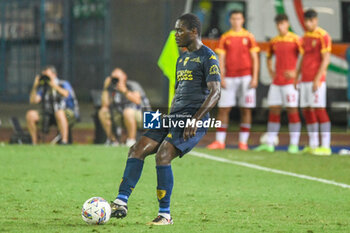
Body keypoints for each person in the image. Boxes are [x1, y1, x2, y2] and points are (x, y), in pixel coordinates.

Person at [109, 13, 221, 225]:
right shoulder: (182, 59)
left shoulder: (209, 57)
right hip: (175, 116)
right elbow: (179, 93)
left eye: (180, 30)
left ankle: (165, 215)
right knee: (136, 148)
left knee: (163, 155)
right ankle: (121, 202)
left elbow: (216, 93)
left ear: (194, 31)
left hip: (193, 119)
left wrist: (195, 119)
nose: (176, 34)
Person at [207, 10, 259, 150]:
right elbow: (221, 59)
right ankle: (220, 141)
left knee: (246, 109)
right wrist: (221, 77)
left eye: (239, 18)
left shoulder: (249, 37)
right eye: (234, 18)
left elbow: (255, 58)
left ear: (243, 20)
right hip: (229, 78)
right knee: (224, 109)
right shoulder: (225, 37)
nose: (236, 21)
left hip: (246, 77)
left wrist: (254, 78)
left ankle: (243, 142)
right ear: (230, 20)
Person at [254, 14, 302, 153]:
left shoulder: (296, 40)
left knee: (292, 112)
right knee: (274, 112)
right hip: (276, 83)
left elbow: (304, 58)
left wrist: (295, 73)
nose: (281, 26)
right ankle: (269, 143)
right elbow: (268, 58)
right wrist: (271, 72)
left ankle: (294, 145)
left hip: (290, 83)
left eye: (283, 23)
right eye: (279, 24)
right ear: (277, 25)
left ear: (287, 24)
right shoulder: (274, 41)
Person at [294, 9, 332, 156]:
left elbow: (326, 59)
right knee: (307, 110)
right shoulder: (305, 37)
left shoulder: (323, 36)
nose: (309, 24)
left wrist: (318, 78)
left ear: (316, 20)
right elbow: (302, 59)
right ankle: (313, 144)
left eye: (311, 21)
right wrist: (297, 76)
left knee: (319, 110)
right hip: (305, 79)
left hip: (316, 80)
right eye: (307, 21)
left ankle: (326, 145)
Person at [26, 65, 79, 145]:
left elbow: (66, 94)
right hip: (49, 114)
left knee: (59, 113)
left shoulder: (63, 83)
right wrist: (35, 86)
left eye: (47, 74)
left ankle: (64, 141)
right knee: (30, 115)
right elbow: (33, 100)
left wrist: (53, 85)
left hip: (67, 113)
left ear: (54, 75)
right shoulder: (44, 88)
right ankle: (34, 142)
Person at [98, 68, 150, 147]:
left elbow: (137, 101)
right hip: (124, 117)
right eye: (113, 78)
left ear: (124, 77)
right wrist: (106, 87)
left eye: (117, 78)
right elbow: (105, 105)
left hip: (148, 117)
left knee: (128, 112)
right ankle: (113, 141)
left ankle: (131, 141)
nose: (116, 80)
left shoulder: (132, 85)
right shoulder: (113, 89)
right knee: (103, 112)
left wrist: (124, 90)